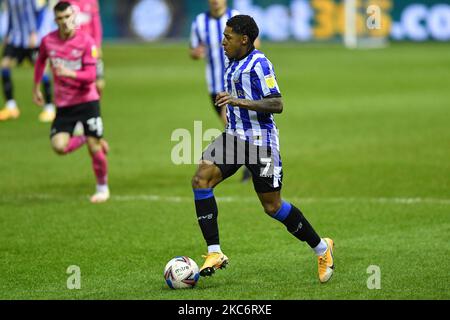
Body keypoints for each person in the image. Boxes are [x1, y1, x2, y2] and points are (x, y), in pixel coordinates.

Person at [192, 15, 335, 283]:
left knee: (272, 206)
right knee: (201, 180)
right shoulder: (230, 61)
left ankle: (322, 248)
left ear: (244, 40)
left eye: (228, 37)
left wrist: (238, 101)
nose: (223, 42)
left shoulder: (260, 64)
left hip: (262, 145)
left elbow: (277, 104)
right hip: (234, 138)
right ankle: (214, 252)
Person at [33, 1, 109, 203]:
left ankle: (102, 188)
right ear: (55, 20)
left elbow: (91, 76)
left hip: (87, 101)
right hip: (64, 104)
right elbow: (40, 61)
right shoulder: (48, 41)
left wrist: (69, 73)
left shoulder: (86, 41)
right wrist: (36, 87)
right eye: (60, 18)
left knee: (95, 149)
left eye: (67, 17)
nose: (65, 22)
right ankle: (86, 136)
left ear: (73, 16)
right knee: (58, 147)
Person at [190, 0, 253, 182]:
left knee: (231, 123)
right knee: (232, 126)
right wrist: (196, 53)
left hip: (235, 82)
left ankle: (251, 162)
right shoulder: (200, 22)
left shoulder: (236, 17)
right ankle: (252, 160)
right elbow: (193, 50)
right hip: (215, 85)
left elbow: (254, 42)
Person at [0, 0, 55, 122]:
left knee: (43, 71)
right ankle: (11, 107)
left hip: (31, 39)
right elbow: (10, 15)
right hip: (15, 39)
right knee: (4, 66)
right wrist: (7, 34)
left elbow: (34, 12)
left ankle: (50, 108)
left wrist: (33, 32)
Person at [64, 0, 104, 93]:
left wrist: (97, 45)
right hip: (73, 47)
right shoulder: (66, 2)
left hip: (90, 47)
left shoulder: (91, 1)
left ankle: (95, 102)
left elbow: (96, 24)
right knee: (74, 82)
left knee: (99, 82)